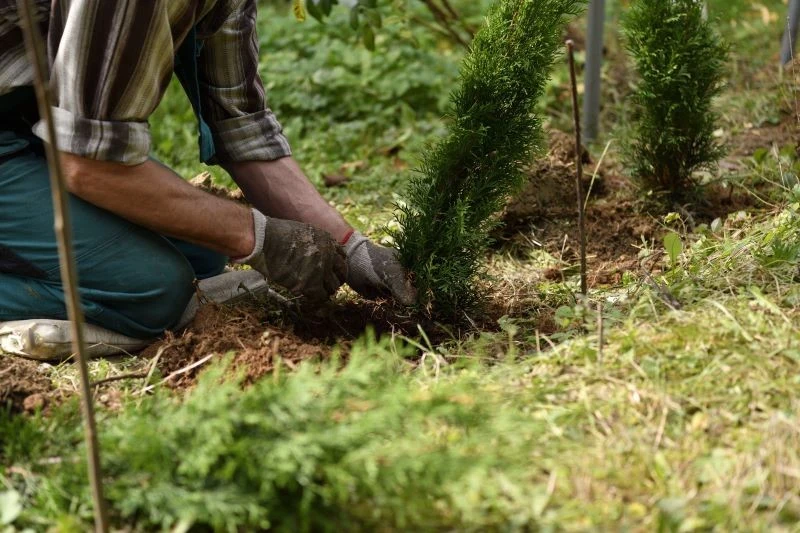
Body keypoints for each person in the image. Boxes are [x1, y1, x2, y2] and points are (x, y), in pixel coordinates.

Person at [0, 0, 415, 341]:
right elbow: (88, 165)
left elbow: (241, 122)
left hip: (27, 120)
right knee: (150, 288)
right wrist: (257, 236)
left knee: (201, 252)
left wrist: (351, 246)